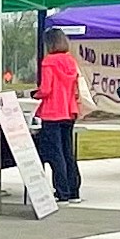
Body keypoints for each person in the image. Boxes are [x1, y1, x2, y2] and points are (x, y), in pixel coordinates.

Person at [32, 27, 82, 203]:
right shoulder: (70, 61)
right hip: (69, 110)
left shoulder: (49, 62)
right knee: (68, 152)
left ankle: (62, 191)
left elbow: (46, 89)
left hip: (52, 112)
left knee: (56, 153)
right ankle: (74, 190)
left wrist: (35, 94)